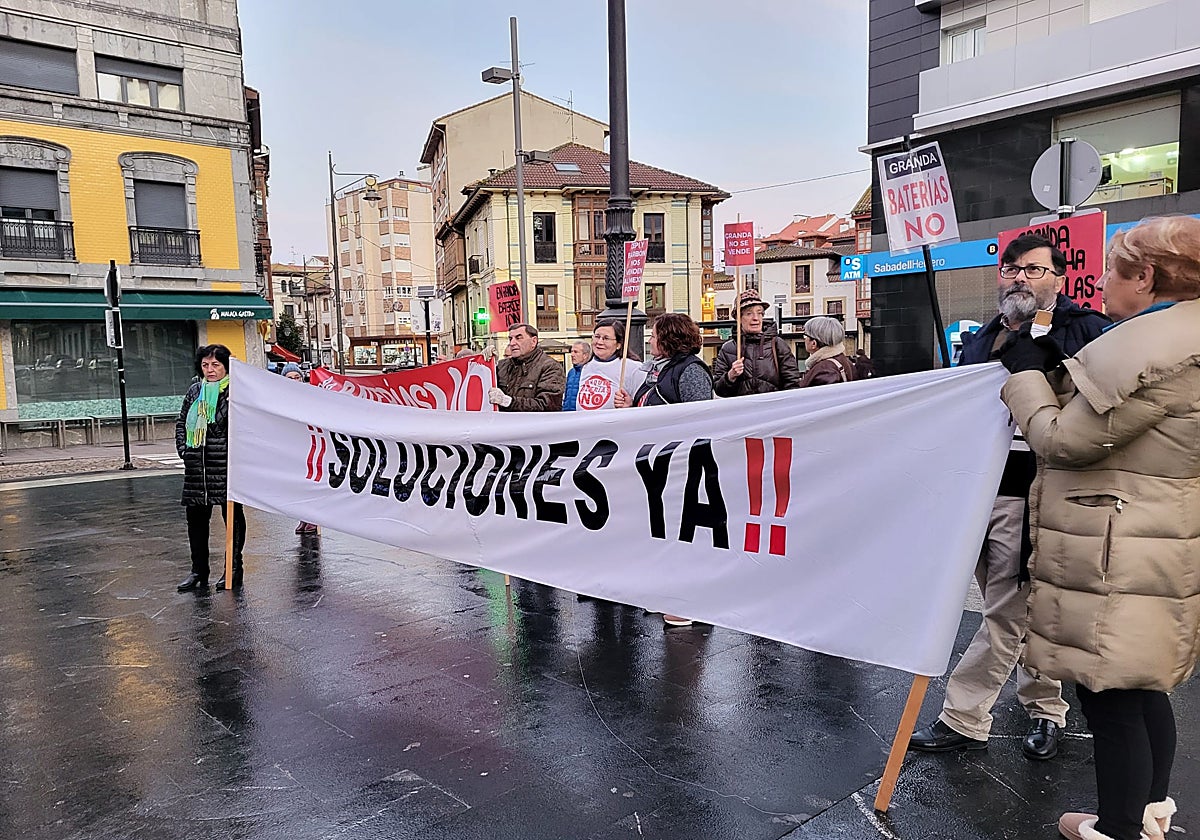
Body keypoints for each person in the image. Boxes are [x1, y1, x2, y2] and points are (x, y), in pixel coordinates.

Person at [996, 216, 1200, 840]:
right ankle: (1150, 810)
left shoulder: (1154, 355)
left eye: (1113, 269)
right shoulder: (1181, 342)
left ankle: (1117, 828)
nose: (1101, 281)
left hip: (1120, 542)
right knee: (1143, 683)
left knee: (1110, 695)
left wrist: (1026, 376)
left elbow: (1064, 440)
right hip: (1158, 534)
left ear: (1145, 277)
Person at [910, 233, 1111, 759]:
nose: (1019, 277)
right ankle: (1046, 707)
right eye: (1011, 268)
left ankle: (964, 714)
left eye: (1034, 270)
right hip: (980, 487)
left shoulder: (1088, 331)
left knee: (1005, 608)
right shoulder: (986, 337)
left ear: (1059, 278)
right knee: (1023, 607)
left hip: (1040, 492)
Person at [616, 312, 713, 628]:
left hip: (681, 466)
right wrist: (631, 408)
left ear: (669, 339)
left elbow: (700, 420)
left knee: (684, 535)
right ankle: (669, 594)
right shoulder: (658, 372)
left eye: (655, 334)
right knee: (664, 535)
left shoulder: (691, 371)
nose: (650, 340)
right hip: (657, 464)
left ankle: (690, 603)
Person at [175, 344, 246, 592]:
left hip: (225, 467)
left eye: (216, 364)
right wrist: (184, 449)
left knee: (233, 519)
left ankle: (233, 568)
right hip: (197, 469)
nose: (210, 369)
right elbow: (182, 421)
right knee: (196, 522)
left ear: (226, 366)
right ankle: (198, 570)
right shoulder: (196, 391)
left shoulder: (237, 392)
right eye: (206, 365)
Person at [713, 290, 801, 397]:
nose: (755, 318)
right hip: (742, 412)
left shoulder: (778, 345)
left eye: (759, 313)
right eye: (749, 313)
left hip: (773, 411)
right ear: (738, 318)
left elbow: (793, 384)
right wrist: (730, 376)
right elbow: (719, 390)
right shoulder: (728, 349)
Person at [573, 318, 646, 411]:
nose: (599, 342)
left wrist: (631, 404)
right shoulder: (586, 367)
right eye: (597, 336)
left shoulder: (633, 368)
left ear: (618, 344)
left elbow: (645, 404)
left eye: (606, 338)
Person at [489, 323, 565, 411]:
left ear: (533, 341)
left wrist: (509, 402)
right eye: (510, 339)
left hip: (534, 424)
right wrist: (486, 364)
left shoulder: (550, 367)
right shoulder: (502, 366)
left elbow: (548, 405)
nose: (512, 343)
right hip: (504, 423)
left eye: (518, 338)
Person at [280, 362, 319, 534]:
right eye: (290, 378)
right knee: (296, 485)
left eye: (297, 377)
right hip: (290, 445)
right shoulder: (280, 398)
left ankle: (313, 519)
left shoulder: (309, 396)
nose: (294, 380)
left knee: (309, 482)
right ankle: (303, 517)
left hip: (308, 444)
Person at [797, 316, 856, 387]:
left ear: (814, 343)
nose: (804, 340)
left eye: (805, 336)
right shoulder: (843, 360)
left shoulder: (825, 370)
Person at [562, 340, 593, 411]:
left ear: (585, 355)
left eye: (576, 352)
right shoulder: (571, 372)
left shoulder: (591, 372)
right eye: (571, 351)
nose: (572, 354)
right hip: (567, 414)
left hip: (582, 415)